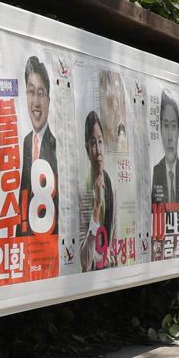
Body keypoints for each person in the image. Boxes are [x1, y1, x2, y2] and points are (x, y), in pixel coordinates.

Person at [16, 57, 58, 235]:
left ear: (48, 100)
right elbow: (23, 198)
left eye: (41, 94)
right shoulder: (26, 141)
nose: (36, 102)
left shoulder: (56, 147)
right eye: (31, 92)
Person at [150, 93, 179, 221]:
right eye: (166, 126)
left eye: (173, 126)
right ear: (160, 129)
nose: (170, 137)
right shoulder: (155, 173)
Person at [82, 110, 116, 270]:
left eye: (100, 142)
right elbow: (85, 262)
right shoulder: (82, 191)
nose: (98, 151)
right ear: (87, 150)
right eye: (93, 143)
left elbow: (116, 238)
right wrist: (96, 208)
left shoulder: (112, 186)